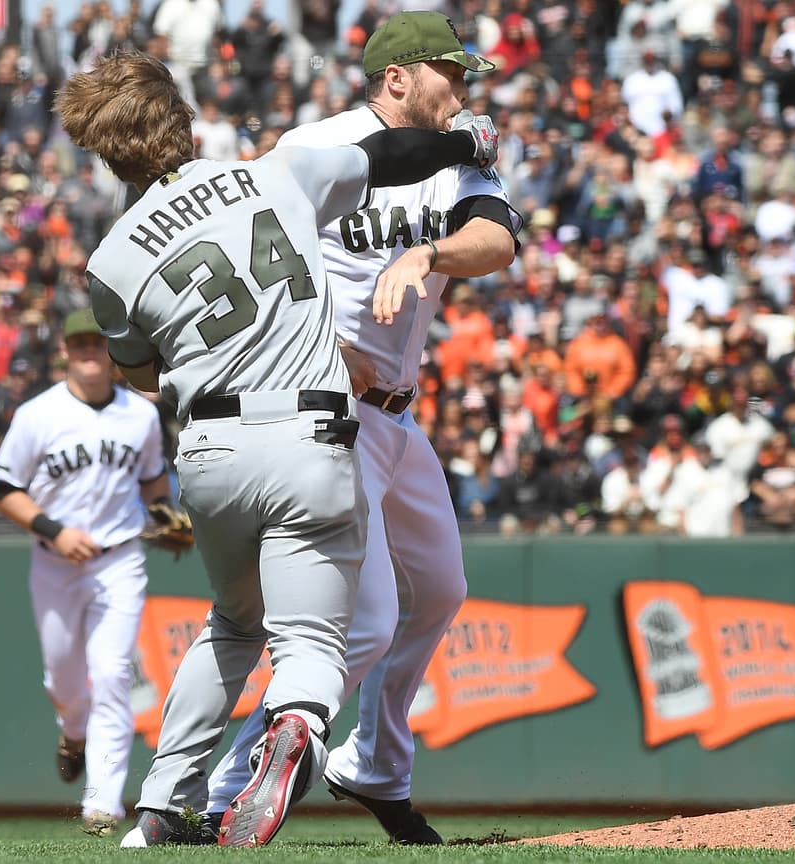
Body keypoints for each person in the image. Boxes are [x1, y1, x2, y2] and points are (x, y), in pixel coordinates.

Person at [54, 51, 498, 847]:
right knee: (320, 641)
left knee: (233, 622)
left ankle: (163, 803)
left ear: (108, 153)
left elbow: (142, 374)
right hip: (309, 434)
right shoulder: (274, 174)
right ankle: (295, 728)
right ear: (184, 123)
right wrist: (466, 144)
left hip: (211, 450)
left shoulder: (110, 262)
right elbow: (386, 155)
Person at [205, 11, 520, 845]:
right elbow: (249, 267)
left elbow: (497, 240)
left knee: (440, 590)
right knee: (368, 621)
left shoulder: (457, 154)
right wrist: (320, 345)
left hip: (397, 418)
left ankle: (375, 763)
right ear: (398, 78)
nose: (466, 88)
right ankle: (216, 797)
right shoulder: (314, 148)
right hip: (327, 409)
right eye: (453, 73)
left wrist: (430, 254)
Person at [0, 309, 169, 837]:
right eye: (80, 342)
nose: (90, 349)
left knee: (112, 673)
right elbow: (1, 489)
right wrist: (55, 530)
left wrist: (166, 519)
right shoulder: (37, 415)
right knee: (64, 679)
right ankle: (72, 730)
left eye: (98, 341)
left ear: (112, 352)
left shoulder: (141, 415)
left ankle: (102, 804)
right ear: (66, 351)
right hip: (55, 562)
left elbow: (154, 483)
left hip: (120, 559)